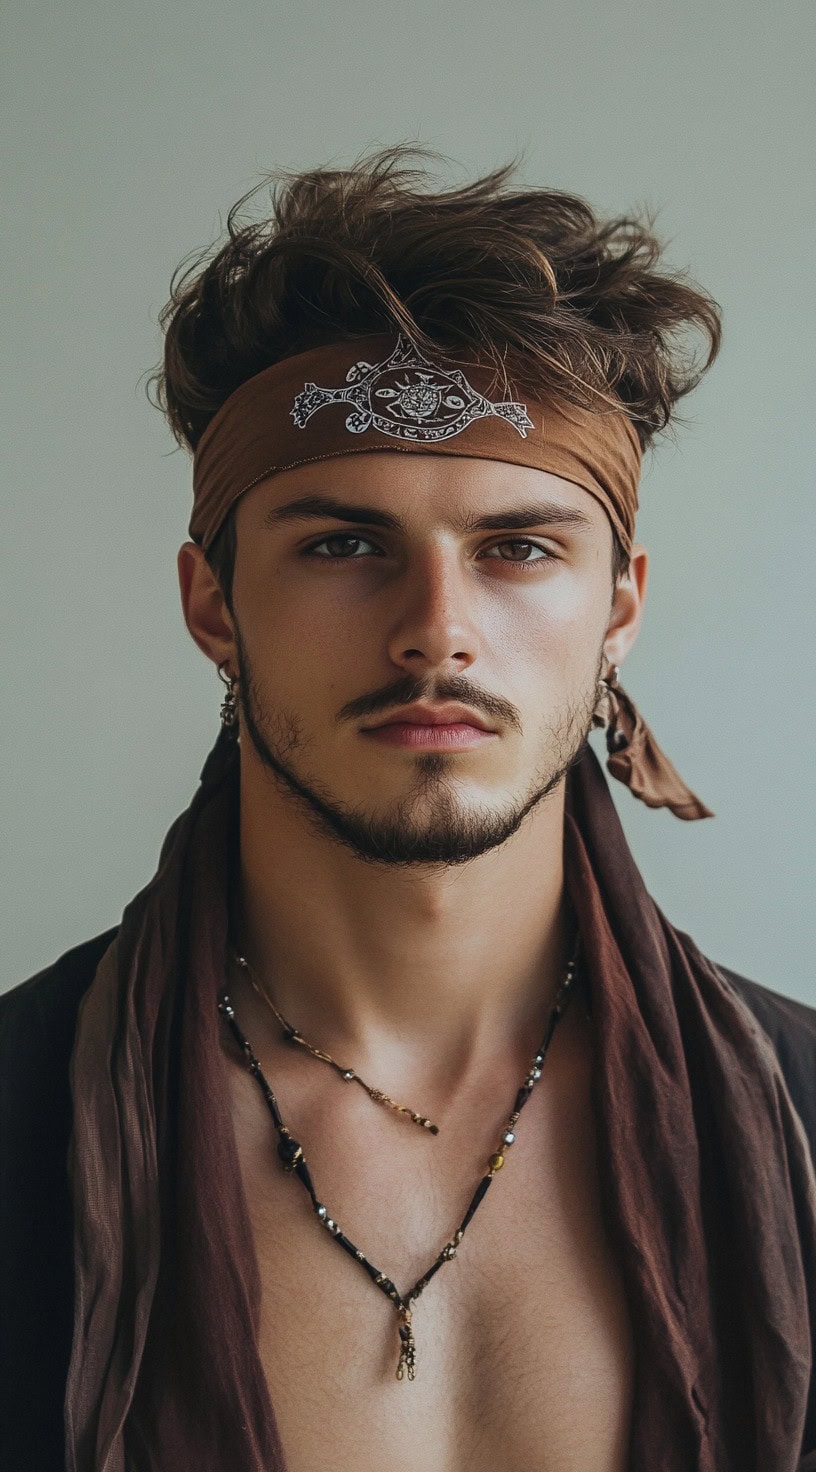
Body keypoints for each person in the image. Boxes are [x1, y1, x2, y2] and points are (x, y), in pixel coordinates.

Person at [2, 146, 815, 1472]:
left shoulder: (794, 1124)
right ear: (214, 602)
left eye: (519, 548)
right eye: (342, 545)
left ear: (619, 606)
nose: (437, 634)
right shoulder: (26, 1117)